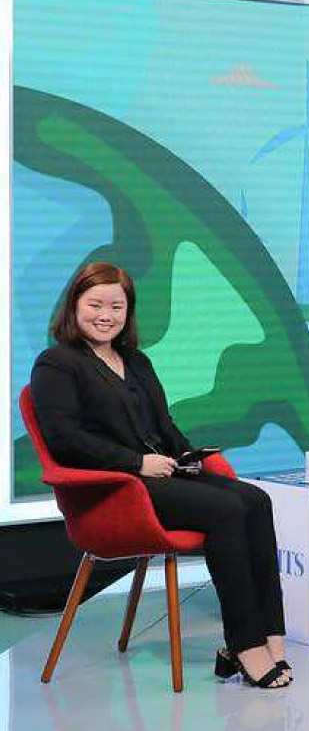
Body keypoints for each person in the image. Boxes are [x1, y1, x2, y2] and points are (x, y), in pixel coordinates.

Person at [29, 262, 291, 689]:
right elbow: (64, 440)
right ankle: (244, 645)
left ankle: (269, 636)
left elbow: (163, 426)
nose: (105, 314)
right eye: (95, 304)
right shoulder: (57, 364)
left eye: (116, 306)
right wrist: (136, 464)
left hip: (161, 477)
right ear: (74, 305)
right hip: (116, 492)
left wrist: (188, 454)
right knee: (226, 510)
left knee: (255, 500)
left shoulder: (136, 360)